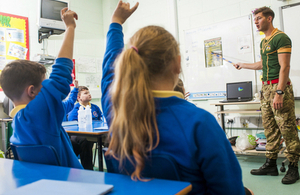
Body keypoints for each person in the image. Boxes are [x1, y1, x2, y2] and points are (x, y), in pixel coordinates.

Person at [101, 1, 252, 194]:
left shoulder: (116, 110)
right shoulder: (200, 123)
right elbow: (229, 190)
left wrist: (116, 22)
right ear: (178, 64)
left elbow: (109, 71)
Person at [0, 8, 82, 169]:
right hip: (71, 184)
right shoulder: (35, 114)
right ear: (32, 91)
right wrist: (70, 28)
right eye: (44, 85)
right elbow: (60, 75)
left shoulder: (18, 122)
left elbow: (60, 99)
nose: (47, 88)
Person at [234, 6, 300, 184]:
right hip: (266, 89)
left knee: (287, 128)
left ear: (269, 19)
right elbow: (262, 64)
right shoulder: (264, 42)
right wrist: (243, 65)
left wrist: (279, 92)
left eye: (259, 18)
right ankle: (271, 164)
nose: (256, 22)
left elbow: (284, 67)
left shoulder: (281, 38)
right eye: (255, 19)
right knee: (270, 128)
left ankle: (294, 167)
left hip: (279, 88)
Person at [68, 86, 103, 170]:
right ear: (79, 97)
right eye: (86, 93)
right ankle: (88, 169)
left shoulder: (95, 107)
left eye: (89, 92)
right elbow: (72, 124)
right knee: (85, 140)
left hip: (95, 133)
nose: (89, 94)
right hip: (79, 135)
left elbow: (101, 118)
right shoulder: (75, 108)